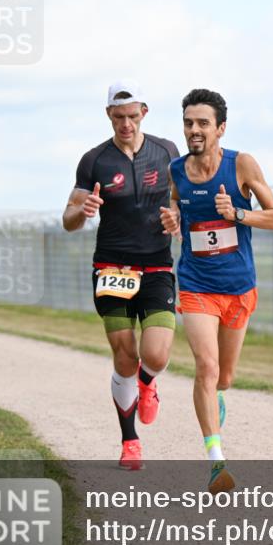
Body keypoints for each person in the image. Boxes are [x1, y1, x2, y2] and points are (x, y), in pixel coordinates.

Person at [159, 88, 273, 493]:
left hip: (238, 286)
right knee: (206, 368)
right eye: (188, 123)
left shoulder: (241, 164)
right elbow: (176, 207)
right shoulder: (176, 170)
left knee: (224, 377)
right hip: (196, 284)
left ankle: (217, 397)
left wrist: (238, 213)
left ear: (220, 128)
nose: (194, 130)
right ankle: (216, 460)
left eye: (202, 123)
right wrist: (173, 220)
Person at [63, 79, 180, 470]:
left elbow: (180, 201)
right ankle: (130, 441)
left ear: (144, 112)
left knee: (156, 354)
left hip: (157, 264)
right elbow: (68, 219)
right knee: (125, 356)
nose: (126, 124)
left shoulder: (167, 151)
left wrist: (176, 218)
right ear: (108, 115)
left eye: (132, 116)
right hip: (111, 267)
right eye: (118, 117)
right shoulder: (94, 160)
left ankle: (148, 383)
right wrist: (83, 211)